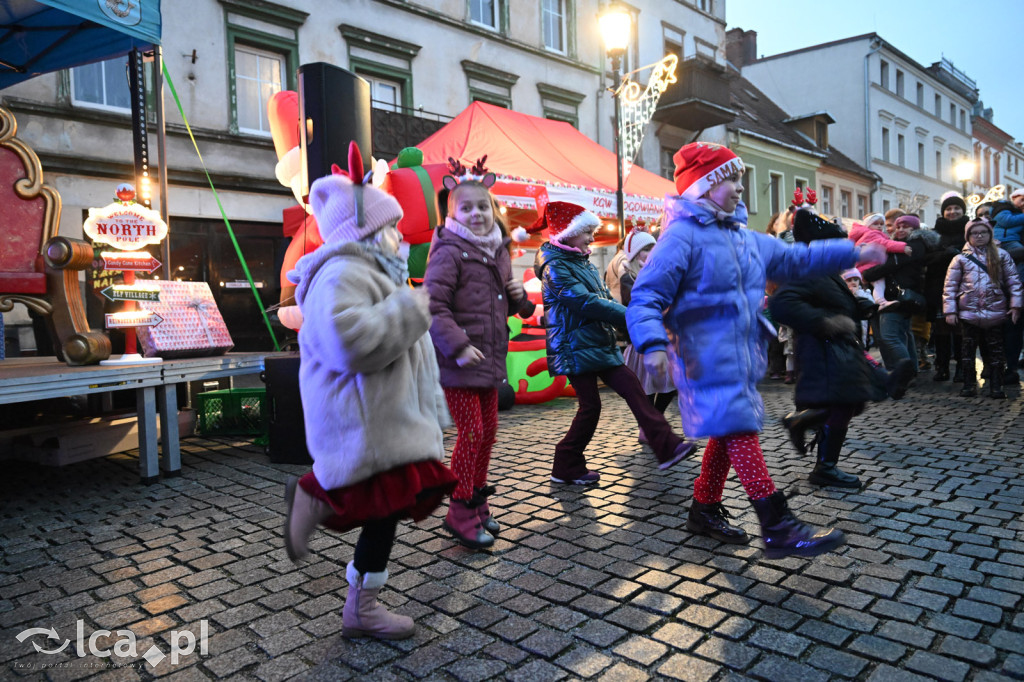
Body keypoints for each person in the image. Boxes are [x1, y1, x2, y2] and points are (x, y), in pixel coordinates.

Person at [626, 141, 885, 559]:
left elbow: (797, 259)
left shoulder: (746, 239)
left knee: (727, 429)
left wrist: (851, 251)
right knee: (738, 427)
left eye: (740, 179)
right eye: (729, 179)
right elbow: (645, 296)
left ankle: (704, 508)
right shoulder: (680, 237)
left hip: (741, 353)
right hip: (702, 353)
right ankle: (777, 524)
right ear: (703, 187)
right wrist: (652, 343)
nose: (739, 187)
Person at [282, 143, 457, 640]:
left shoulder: (369, 270)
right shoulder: (344, 272)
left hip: (386, 419)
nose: (400, 235)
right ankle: (317, 503)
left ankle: (361, 600)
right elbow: (350, 341)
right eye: (393, 226)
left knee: (390, 506)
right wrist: (413, 310)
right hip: (367, 422)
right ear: (369, 230)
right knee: (384, 505)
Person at [534, 201, 697, 485]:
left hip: (597, 342)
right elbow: (585, 302)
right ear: (566, 232)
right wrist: (632, 317)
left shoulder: (580, 261)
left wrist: (633, 317)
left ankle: (666, 445)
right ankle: (565, 463)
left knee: (633, 388)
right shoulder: (554, 266)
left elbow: (605, 299)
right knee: (591, 407)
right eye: (586, 231)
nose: (591, 237)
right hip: (575, 347)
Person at [424, 162, 536, 550]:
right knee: (470, 434)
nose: (476, 214)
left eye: (482, 207)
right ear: (452, 214)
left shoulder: (497, 252)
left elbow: (498, 306)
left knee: (487, 434)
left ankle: (478, 503)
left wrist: (519, 300)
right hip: (459, 362)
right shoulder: (450, 251)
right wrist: (456, 345)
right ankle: (459, 509)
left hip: (488, 360)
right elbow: (433, 306)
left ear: (493, 209)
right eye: (466, 208)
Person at [769, 209, 915, 489]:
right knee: (842, 402)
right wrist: (827, 323)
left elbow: (834, 302)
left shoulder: (826, 273)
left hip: (837, 348)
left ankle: (812, 438)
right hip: (821, 349)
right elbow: (782, 305)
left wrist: (861, 306)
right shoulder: (806, 272)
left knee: (847, 402)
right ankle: (819, 456)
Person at [943, 218, 1023, 398]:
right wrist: (950, 311)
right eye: (974, 233)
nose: (979, 236)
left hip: (996, 311)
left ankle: (996, 386)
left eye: (983, 232)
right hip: (968, 312)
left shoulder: (1002, 255)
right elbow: (950, 286)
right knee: (967, 352)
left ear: (989, 234)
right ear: (968, 236)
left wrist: (1015, 306)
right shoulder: (960, 259)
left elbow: (1014, 283)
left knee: (996, 352)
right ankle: (969, 385)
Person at [620, 229, 676, 443]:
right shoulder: (629, 277)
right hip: (643, 341)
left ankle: (655, 419)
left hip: (667, 338)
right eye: (646, 249)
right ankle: (647, 424)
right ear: (635, 255)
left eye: (653, 247)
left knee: (670, 383)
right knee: (644, 386)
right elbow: (636, 305)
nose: (651, 252)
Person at [861, 215, 931, 373]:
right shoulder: (904, 244)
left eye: (905, 227)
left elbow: (889, 266)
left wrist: (867, 274)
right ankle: (909, 371)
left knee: (890, 336)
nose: (900, 229)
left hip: (897, 297)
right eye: (898, 226)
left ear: (914, 229)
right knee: (903, 335)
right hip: (897, 295)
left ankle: (903, 373)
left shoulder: (913, 245)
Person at [925, 194, 968, 382]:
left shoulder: (970, 230)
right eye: (948, 209)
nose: (952, 212)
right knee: (941, 329)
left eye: (956, 208)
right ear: (943, 212)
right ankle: (941, 367)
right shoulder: (934, 234)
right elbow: (926, 260)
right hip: (938, 287)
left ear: (963, 210)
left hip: (965, 288)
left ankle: (961, 367)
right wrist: (946, 255)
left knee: (961, 330)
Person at [992, 188, 1024, 383]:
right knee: (1007, 330)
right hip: (1004, 290)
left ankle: (1009, 367)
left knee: (1013, 330)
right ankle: (1002, 368)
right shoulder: (1003, 210)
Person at [848, 212, 911, 304]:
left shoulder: (866, 234)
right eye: (875, 224)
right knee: (879, 284)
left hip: (864, 267)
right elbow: (884, 243)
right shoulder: (872, 234)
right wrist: (902, 247)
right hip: (870, 266)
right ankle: (881, 301)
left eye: (881, 224)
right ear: (868, 225)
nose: (879, 226)